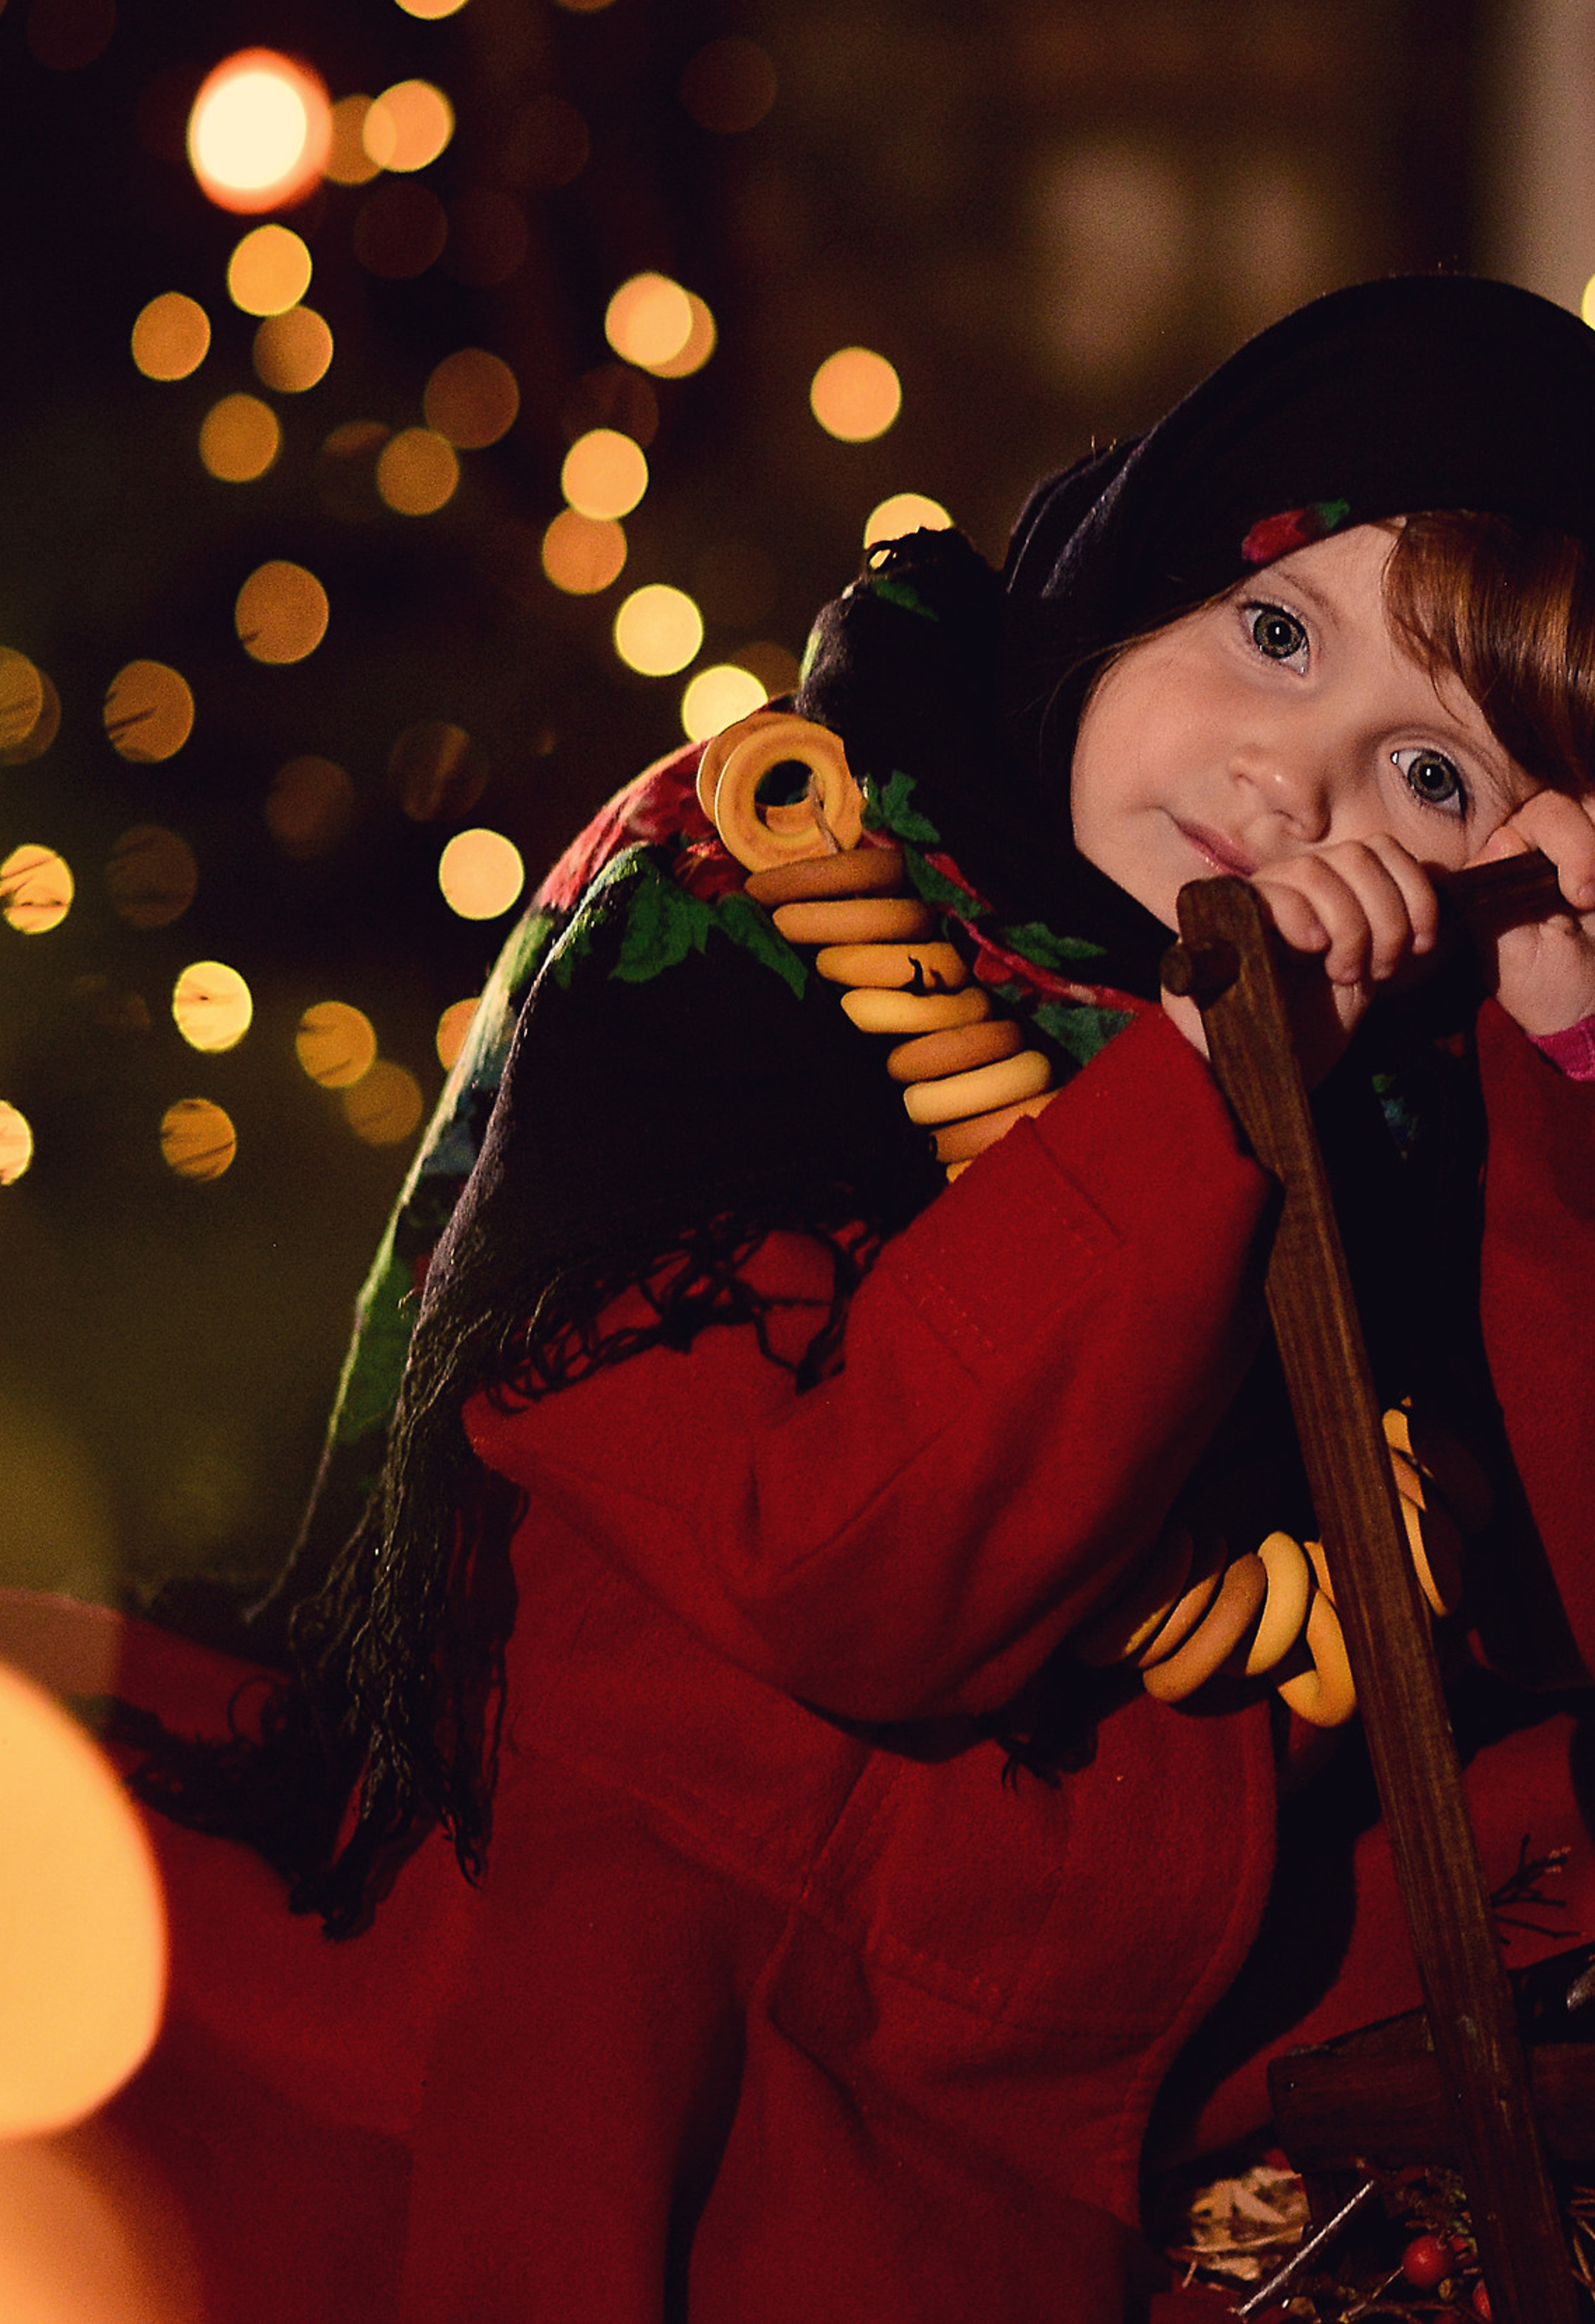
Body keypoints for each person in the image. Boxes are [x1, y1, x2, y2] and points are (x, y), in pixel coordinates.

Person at [31, 274, 1595, 2323]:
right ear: (1137, 581)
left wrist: (1542, 1067)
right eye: (1278, 637)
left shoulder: (1392, 1090)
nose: (1302, 786)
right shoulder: (766, 900)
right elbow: (854, 1577)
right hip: (680, 2004)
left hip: (1059, 2054)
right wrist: (1194, 1108)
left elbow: (1535, 1625)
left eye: (1439, 780)